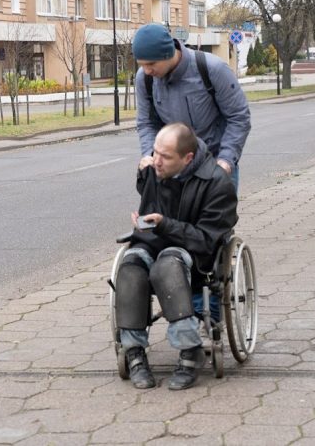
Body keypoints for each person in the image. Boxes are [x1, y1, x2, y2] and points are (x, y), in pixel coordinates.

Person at [116, 122, 238, 390]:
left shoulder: (217, 184)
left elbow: (206, 241)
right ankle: (133, 350)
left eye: (165, 157)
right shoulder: (153, 170)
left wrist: (163, 224)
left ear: (188, 158)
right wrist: (143, 222)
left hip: (194, 256)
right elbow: (149, 201)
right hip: (151, 242)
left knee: (167, 265)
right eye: (154, 152)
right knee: (130, 268)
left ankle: (189, 348)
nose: (156, 161)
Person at [132, 23, 251, 190]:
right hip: (172, 169)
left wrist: (226, 160)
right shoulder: (145, 79)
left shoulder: (212, 69)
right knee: (165, 217)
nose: (146, 71)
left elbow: (239, 117)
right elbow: (147, 122)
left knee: (213, 217)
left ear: (169, 53)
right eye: (141, 64)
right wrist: (150, 155)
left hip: (214, 164)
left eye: (151, 64)